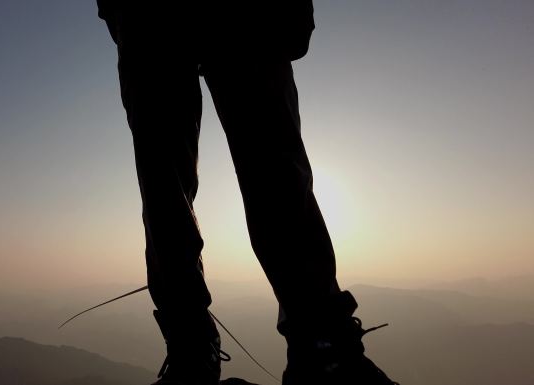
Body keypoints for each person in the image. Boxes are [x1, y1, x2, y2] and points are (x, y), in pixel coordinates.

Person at [96, 1, 398, 384]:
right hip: (159, 17)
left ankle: (313, 345)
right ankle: (300, 346)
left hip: (206, 14)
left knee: (248, 172)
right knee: (183, 184)